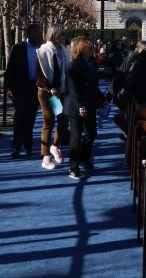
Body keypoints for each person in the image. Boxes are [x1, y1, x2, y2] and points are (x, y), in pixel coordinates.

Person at [63, 36, 105, 179]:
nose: (92, 49)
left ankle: (84, 158)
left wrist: (101, 97)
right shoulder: (73, 65)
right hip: (76, 106)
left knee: (91, 133)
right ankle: (73, 167)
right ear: (82, 49)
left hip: (90, 103)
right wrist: (80, 105)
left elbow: (93, 84)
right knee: (75, 136)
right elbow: (73, 88)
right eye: (89, 47)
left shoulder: (91, 63)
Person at [5, 23, 43, 158]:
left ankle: (28, 146)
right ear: (29, 34)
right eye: (37, 32)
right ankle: (16, 147)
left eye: (40, 32)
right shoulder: (18, 48)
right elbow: (10, 69)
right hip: (20, 88)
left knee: (31, 118)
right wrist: (9, 87)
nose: (40, 35)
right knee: (20, 117)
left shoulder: (42, 48)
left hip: (35, 87)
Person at [36, 24, 71, 170]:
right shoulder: (43, 51)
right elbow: (40, 75)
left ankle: (55, 146)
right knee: (48, 121)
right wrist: (50, 88)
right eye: (62, 34)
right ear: (56, 35)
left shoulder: (64, 50)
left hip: (60, 91)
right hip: (47, 92)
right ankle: (45, 157)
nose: (64, 36)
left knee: (63, 120)